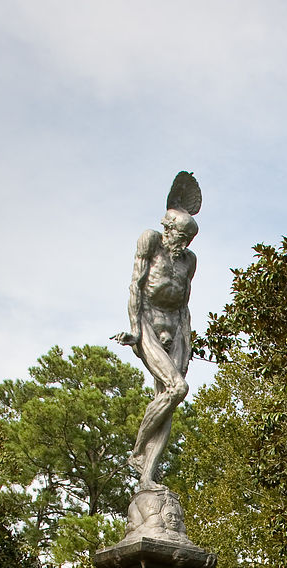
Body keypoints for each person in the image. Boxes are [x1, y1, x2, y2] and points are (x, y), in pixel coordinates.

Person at [114, 178, 201, 491]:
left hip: (175, 329)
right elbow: (136, 285)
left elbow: (184, 304)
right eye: (182, 235)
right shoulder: (149, 241)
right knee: (177, 389)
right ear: (169, 228)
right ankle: (137, 451)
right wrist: (136, 331)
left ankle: (147, 475)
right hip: (148, 324)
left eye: (190, 239)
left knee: (167, 401)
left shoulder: (189, 261)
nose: (185, 244)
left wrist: (186, 342)